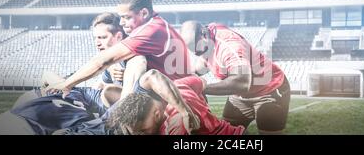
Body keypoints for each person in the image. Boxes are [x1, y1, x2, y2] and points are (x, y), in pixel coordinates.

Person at [45, 0, 192, 98]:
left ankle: (121, 116)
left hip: (177, 101)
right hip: (177, 95)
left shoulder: (151, 30)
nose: (122, 22)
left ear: (144, 13)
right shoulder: (156, 25)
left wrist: (66, 84)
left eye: (126, 17)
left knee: (135, 62)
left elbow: (103, 60)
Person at [180, 21, 291, 134]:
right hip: (241, 95)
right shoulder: (208, 38)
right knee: (229, 132)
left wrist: (200, 87)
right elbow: (202, 66)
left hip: (269, 90)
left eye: (199, 51)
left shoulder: (230, 45)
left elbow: (242, 82)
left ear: (204, 36)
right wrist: (180, 80)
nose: (198, 54)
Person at [59, 69, 244, 135]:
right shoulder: (179, 86)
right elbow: (201, 83)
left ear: (157, 114)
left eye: (143, 130)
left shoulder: (174, 126)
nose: (141, 135)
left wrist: (188, 113)